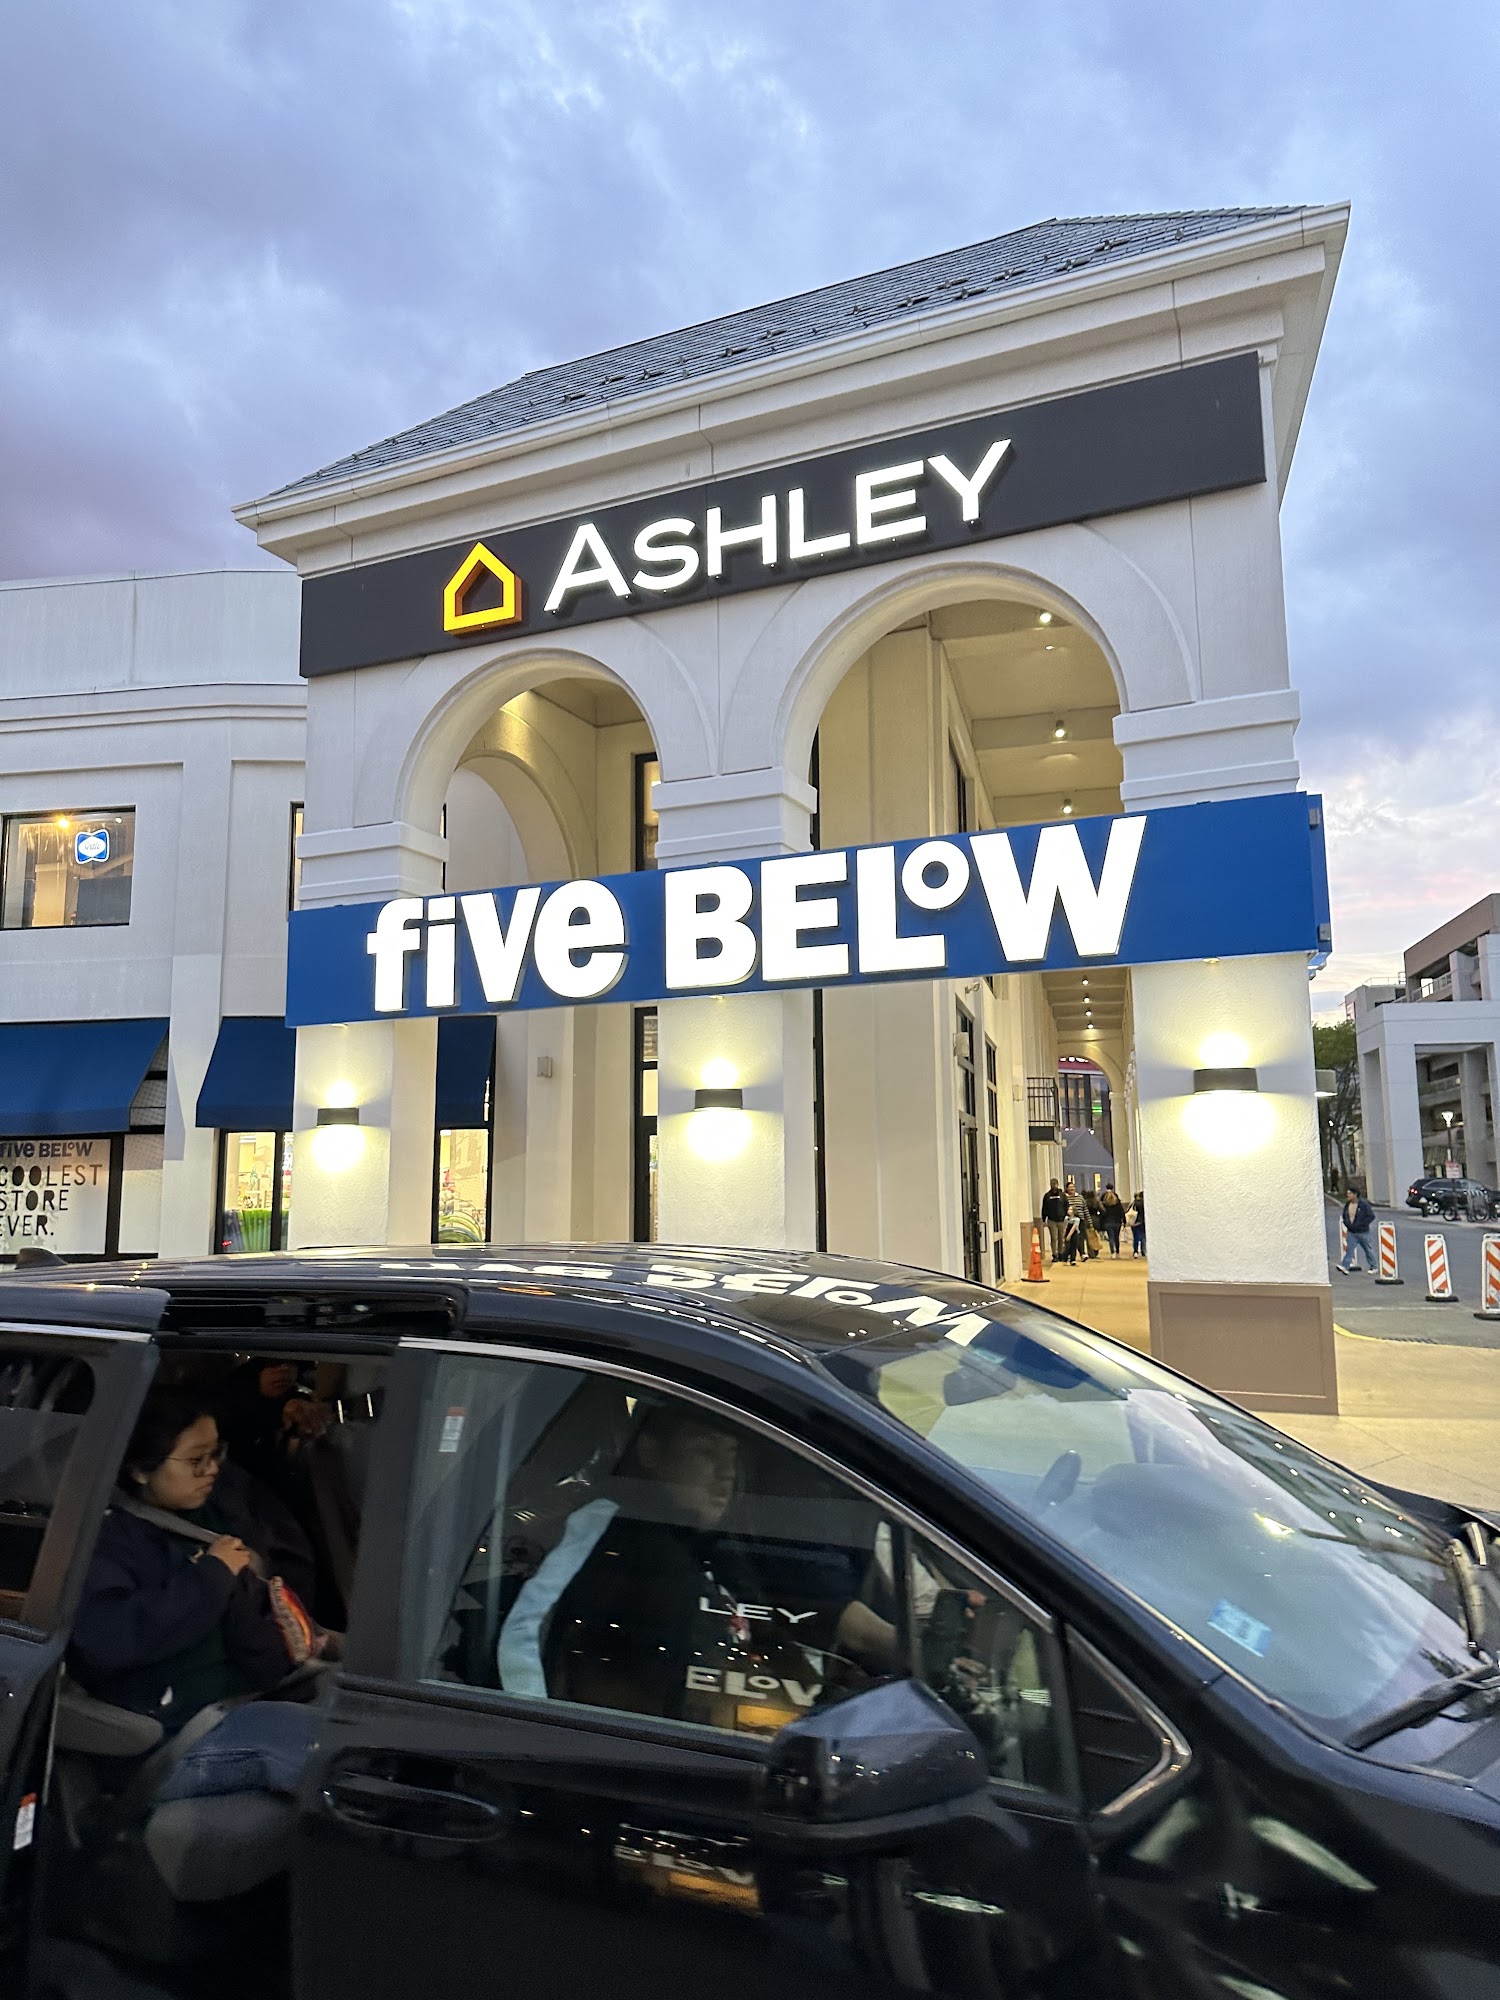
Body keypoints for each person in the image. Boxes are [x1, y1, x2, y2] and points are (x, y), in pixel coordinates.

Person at [500, 1401, 889, 1728]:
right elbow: (525, 1634)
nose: (726, 1473)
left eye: (731, 1455)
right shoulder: (604, 1525)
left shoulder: (711, 1543)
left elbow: (765, 1634)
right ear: (652, 1454)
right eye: (706, 1452)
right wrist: (540, 1738)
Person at [69, 1388, 328, 1802]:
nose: (212, 1470)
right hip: (176, 1735)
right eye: (195, 1461)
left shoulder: (212, 1510)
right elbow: (113, 1638)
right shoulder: (107, 1542)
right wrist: (213, 1575)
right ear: (140, 1470)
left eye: (216, 1453)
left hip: (249, 1698)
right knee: (333, 1762)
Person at [1336, 1187, 1377, 1275]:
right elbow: (1345, 1215)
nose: (1348, 1195)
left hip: (1363, 1232)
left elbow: (1371, 1216)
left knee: (1367, 1249)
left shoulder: (1363, 1204)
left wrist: (1362, 1224)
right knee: (1349, 1249)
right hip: (1351, 1232)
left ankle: (1374, 1266)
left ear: (1355, 1194)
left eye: (1350, 1193)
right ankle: (1345, 1266)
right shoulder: (1348, 1204)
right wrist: (1347, 1224)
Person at [1040, 1179, 1068, 1262]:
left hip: (1061, 1220)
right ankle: (1055, 1254)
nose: (1054, 1185)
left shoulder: (1062, 1195)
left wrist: (1066, 1216)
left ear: (1058, 1184)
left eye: (1055, 1184)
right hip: (1051, 1220)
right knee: (1054, 1238)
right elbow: (1044, 1208)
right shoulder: (1047, 1196)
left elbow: (1066, 1205)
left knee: (1061, 1238)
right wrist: (1044, 1219)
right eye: (1052, 1184)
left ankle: (1061, 1253)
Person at [1100, 1185, 1127, 1257]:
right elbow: (1122, 1212)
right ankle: (1117, 1251)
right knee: (1116, 1237)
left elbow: (1103, 1214)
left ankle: (1112, 1252)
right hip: (1117, 1222)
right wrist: (1124, 1221)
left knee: (1111, 1238)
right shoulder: (1118, 1204)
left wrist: (1101, 1224)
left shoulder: (1105, 1205)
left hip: (1108, 1222)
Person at [1128, 1191, 1146, 1258]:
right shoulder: (1145, 1204)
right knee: (1143, 1237)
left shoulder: (1134, 1203)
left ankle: (1135, 1251)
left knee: (1136, 1237)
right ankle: (1143, 1251)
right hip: (1142, 1222)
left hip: (1134, 1222)